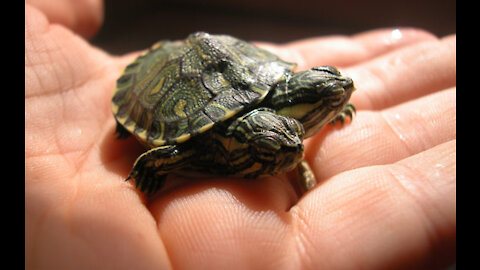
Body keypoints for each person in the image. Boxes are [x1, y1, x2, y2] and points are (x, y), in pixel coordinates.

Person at [25, 1, 456, 269]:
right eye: (276, 146)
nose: (292, 151)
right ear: (249, 146)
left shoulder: (282, 108)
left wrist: (328, 107)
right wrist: (152, 166)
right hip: (176, 84)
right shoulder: (197, 146)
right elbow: (159, 154)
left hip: (245, 69)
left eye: (292, 139)